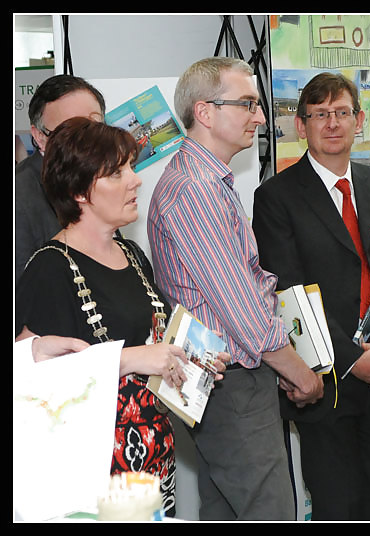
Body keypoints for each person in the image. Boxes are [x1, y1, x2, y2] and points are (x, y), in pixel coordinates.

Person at [14, 117, 224, 516]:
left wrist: (197, 357)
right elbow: (29, 375)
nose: (135, 180)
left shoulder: (131, 254)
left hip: (153, 454)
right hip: (91, 468)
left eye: (131, 166)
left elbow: (159, 340)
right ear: (78, 191)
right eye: (117, 172)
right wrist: (130, 359)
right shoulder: (51, 267)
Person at [147, 57, 323, 521]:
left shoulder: (208, 180)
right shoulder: (196, 188)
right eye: (247, 104)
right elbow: (241, 309)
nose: (261, 117)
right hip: (233, 385)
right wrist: (298, 370)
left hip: (222, 380)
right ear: (204, 112)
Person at [252, 72, 370, 520]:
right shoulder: (275, 197)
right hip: (326, 384)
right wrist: (350, 357)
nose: (332, 124)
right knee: (337, 507)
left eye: (341, 113)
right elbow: (286, 294)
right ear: (301, 125)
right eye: (319, 115)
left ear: (358, 120)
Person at [15, 74, 106, 285]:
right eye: (71, 130)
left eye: (95, 125)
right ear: (40, 137)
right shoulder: (19, 199)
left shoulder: (101, 179)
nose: (88, 140)